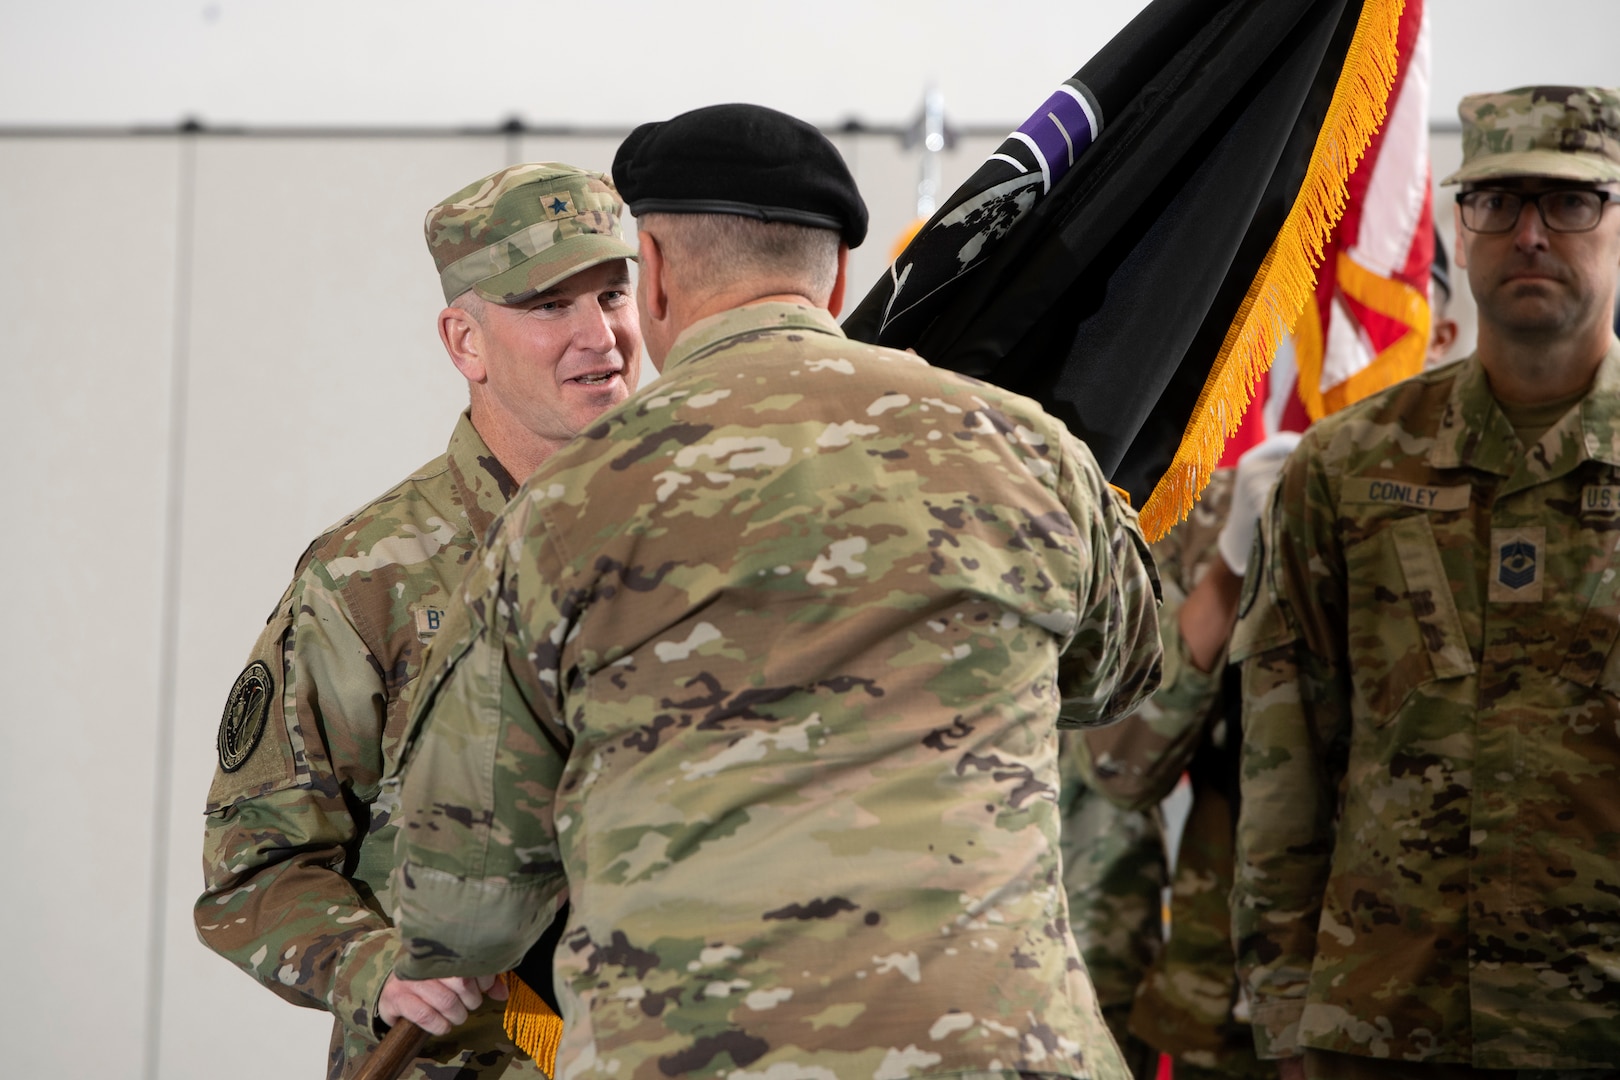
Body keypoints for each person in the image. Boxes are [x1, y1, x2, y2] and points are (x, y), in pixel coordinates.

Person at [387, 102, 1164, 1080]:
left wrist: (438, 960)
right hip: (1001, 1048)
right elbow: (1124, 674)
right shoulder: (1028, 449)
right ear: (837, 275)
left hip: (698, 1053)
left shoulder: (566, 505)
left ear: (655, 271)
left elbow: (470, 881)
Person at [195, 162, 643, 1080]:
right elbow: (255, 869)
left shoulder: (700, 540)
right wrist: (380, 969)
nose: (601, 335)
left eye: (613, 292)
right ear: (465, 341)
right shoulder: (367, 579)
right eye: (550, 305)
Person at [1230, 84, 1620, 1079]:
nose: (1530, 234)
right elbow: (1286, 756)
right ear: (1460, 220)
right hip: (1389, 1027)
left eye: (1569, 203)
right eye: (1497, 202)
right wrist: (1281, 1017)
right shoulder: (1348, 466)